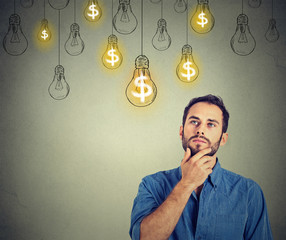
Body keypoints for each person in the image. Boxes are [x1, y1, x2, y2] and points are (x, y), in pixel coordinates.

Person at [129, 94, 273, 240]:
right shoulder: (151, 185)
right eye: (194, 121)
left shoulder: (248, 192)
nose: (200, 130)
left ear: (223, 139)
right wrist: (186, 184)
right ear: (181, 132)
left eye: (211, 124)